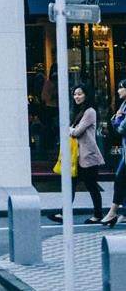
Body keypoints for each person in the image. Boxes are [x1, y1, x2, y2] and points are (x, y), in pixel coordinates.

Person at [48, 84, 105, 224]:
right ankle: (64, 213)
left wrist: (67, 129)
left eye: (79, 94)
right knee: (72, 184)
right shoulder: (79, 111)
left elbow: (77, 132)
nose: (76, 97)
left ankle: (98, 215)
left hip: (87, 156)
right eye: (75, 94)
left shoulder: (90, 111)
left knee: (91, 186)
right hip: (77, 157)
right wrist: (70, 129)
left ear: (86, 95)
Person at [103, 79, 126, 227]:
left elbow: (121, 128)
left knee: (119, 179)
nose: (118, 90)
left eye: (121, 88)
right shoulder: (124, 105)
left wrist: (117, 119)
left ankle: (113, 212)